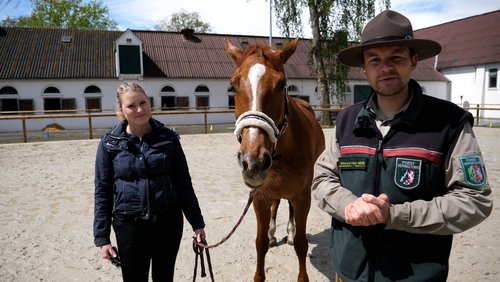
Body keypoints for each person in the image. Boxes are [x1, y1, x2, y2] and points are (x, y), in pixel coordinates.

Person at [312, 10, 493, 282]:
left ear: (413, 61)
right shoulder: (347, 121)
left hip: (415, 276)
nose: (385, 67)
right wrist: (348, 205)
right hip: (348, 273)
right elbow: (322, 178)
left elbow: (475, 200)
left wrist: (395, 216)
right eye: (374, 60)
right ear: (364, 68)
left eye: (396, 57)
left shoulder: (449, 124)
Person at [93, 82, 206, 281]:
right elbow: (102, 190)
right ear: (121, 110)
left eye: (143, 102)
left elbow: (184, 184)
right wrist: (102, 237)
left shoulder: (169, 139)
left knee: (164, 277)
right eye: (131, 105)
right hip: (129, 225)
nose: (139, 109)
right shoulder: (109, 144)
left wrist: (197, 224)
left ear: (149, 103)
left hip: (168, 223)